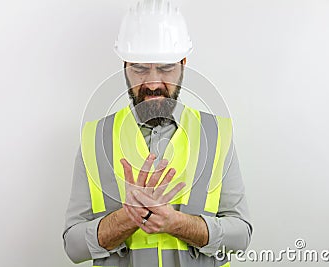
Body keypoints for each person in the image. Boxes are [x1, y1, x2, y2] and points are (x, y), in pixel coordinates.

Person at [63, 1, 252, 266]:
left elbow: (241, 236)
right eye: (140, 68)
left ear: (184, 64)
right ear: (125, 65)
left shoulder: (216, 133)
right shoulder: (95, 138)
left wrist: (177, 224)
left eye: (165, 68)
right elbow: (73, 246)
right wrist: (127, 218)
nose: (152, 83)